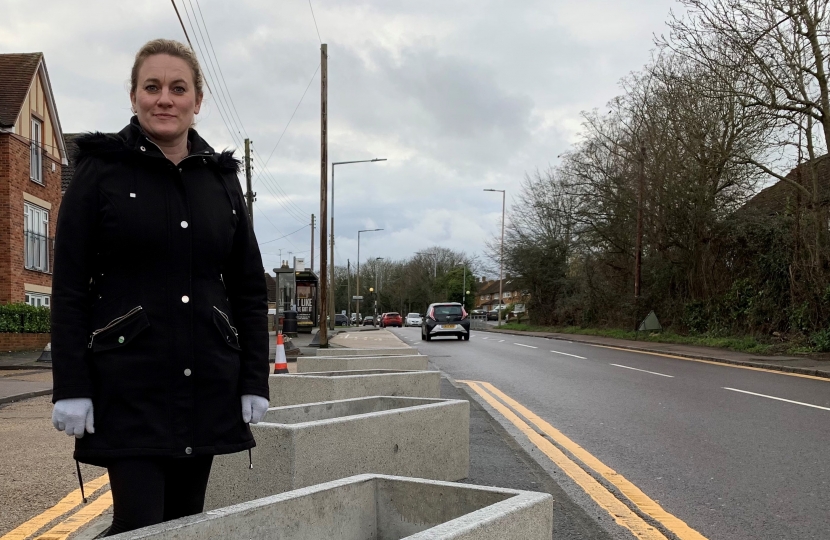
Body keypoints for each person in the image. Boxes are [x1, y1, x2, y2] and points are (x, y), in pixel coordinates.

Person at [49, 39, 270, 536]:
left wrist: (255, 378)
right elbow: (68, 289)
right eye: (152, 87)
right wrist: (72, 386)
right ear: (133, 97)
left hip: (207, 379)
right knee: (138, 524)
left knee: (184, 522)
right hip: (128, 383)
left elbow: (248, 289)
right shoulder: (99, 171)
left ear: (197, 100)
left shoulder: (222, 181)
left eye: (177, 88)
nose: (164, 99)